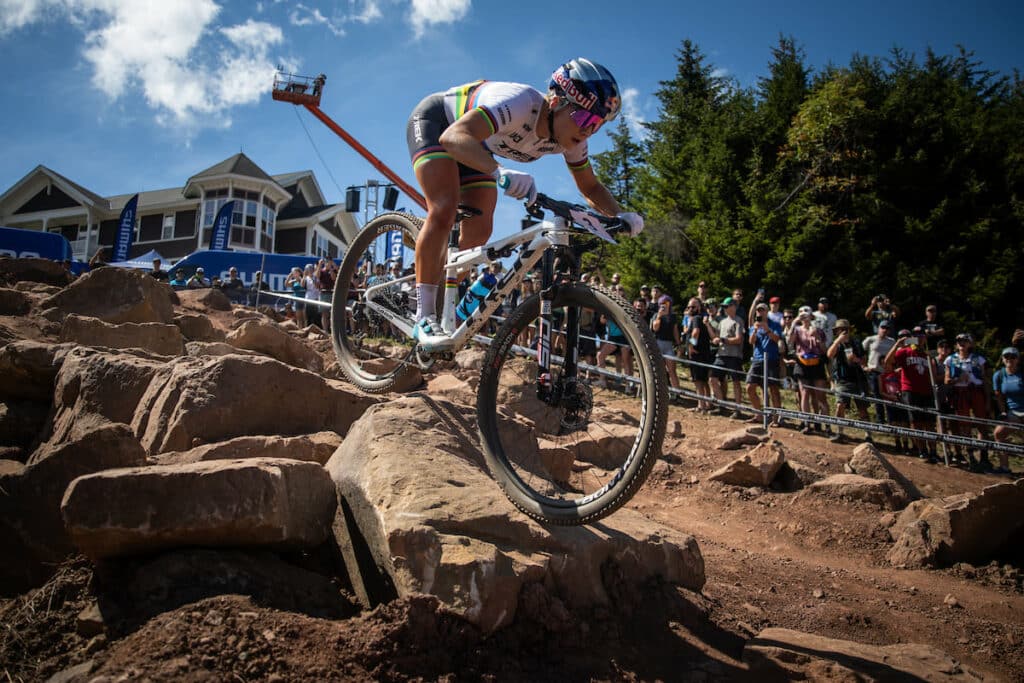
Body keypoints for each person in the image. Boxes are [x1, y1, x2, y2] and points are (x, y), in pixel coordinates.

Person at [405, 58, 643, 347]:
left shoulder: (572, 138)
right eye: (584, 119)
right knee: (444, 207)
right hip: (441, 123)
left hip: (477, 144)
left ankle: (438, 287)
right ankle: (423, 314)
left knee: (480, 230)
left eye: (596, 124)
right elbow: (453, 136)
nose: (588, 130)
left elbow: (589, 185)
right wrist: (499, 172)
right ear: (556, 101)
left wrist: (621, 215)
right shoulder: (519, 104)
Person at [885, 328, 938, 463]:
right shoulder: (905, 351)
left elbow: (934, 375)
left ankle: (933, 451)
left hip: (927, 391)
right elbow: (888, 362)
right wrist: (898, 344)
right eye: (916, 336)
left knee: (930, 423)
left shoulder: (927, 355)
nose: (919, 338)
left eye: (922, 335)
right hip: (910, 390)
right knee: (916, 422)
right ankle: (922, 450)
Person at [944, 332, 992, 471]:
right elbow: (947, 380)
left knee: (981, 423)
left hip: (976, 391)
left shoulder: (979, 359)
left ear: (970, 343)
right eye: (959, 341)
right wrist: (957, 379)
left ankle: (984, 456)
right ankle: (970, 456)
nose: (961, 343)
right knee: (964, 425)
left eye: (964, 341)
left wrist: (988, 399)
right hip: (960, 392)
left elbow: (985, 380)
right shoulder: (950, 359)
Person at [827, 319, 872, 443]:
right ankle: (839, 432)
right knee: (840, 405)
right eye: (839, 330)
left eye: (844, 329)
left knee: (862, 408)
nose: (841, 332)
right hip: (842, 379)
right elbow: (829, 355)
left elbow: (864, 360)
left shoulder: (856, 342)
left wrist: (857, 360)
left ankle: (868, 435)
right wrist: (838, 341)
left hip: (858, 379)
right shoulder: (836, 343)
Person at [788, 306, 830, 435]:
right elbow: (789, 342)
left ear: (811, 315)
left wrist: (817, 337)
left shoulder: (818, 330)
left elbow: (824, 350)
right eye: (800, 312)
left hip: (816, 362)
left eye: (806, 313)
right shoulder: (797, 330)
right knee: (804, 393)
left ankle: (827, 425)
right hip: (802, 363)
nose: (803, 315)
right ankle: (806, 423)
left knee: (820, 395)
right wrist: (794, 322)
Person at [745, 302, 783, 420]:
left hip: (771, 359)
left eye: (762, 310)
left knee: (773, 389)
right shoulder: (754, 325)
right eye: (758, 310)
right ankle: (759, 414)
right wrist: (755, 330)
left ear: (767, 312)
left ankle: (776, 418)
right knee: (750, 387)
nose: (760, 312)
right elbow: (751, 342)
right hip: (757, 359)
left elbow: (777, 339)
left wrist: (767, 330)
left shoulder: (775, 324)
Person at [711, 297, 745, 417]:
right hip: (721, 354)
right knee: (713, 379)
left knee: (736, 381)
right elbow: (716, 335)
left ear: (733, 307)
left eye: (726, 306)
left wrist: (723, 340)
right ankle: (722, 405)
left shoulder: (738, 321)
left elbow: (739, 339)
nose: (724, 309)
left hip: (734, 356)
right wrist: (716, 339)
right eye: (724, 307)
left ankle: (738, 409)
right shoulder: (722, 322)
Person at [992, 347, 1022, 475]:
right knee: (999, 433)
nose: (1009, 359)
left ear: (1018, 359)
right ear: (1003, 359)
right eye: (1006, 357)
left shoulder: (1022, 373)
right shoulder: (999, 375)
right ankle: (1004, 468)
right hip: (1013, 412)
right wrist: (1003, 412)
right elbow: (999, 396)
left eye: (1013, 357)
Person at [651, 295, 682, 393]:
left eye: (666, 303)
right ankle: (658, 391)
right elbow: (655, 328)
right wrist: (660, 316)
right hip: (658, 342)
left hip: (669, 344)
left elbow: (675, 331)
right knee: (658, 369)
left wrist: (679, 344)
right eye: (662, 303)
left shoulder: (673, 317)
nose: (664, 305)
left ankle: (676, 393)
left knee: (672, 370)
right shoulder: (656, 315)